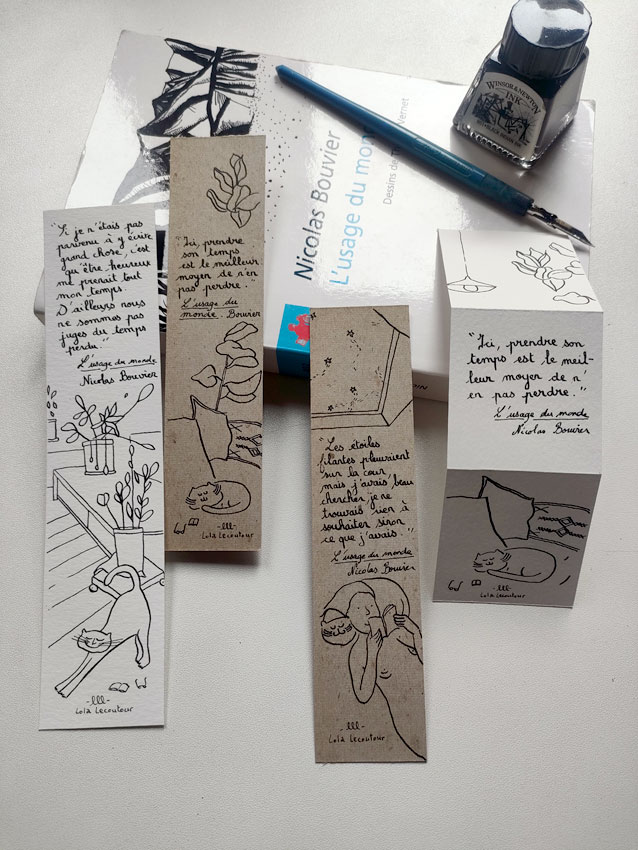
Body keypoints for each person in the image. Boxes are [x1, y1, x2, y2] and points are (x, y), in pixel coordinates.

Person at [321, 579, 425, 760]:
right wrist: (372, 653)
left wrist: (415, 631)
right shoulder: (357, 654)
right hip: (405, 717)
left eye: (371, 605)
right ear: (349, 618)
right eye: (359, 609)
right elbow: (363, 695)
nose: (368, 612)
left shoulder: (397, 635)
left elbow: (424, 659)